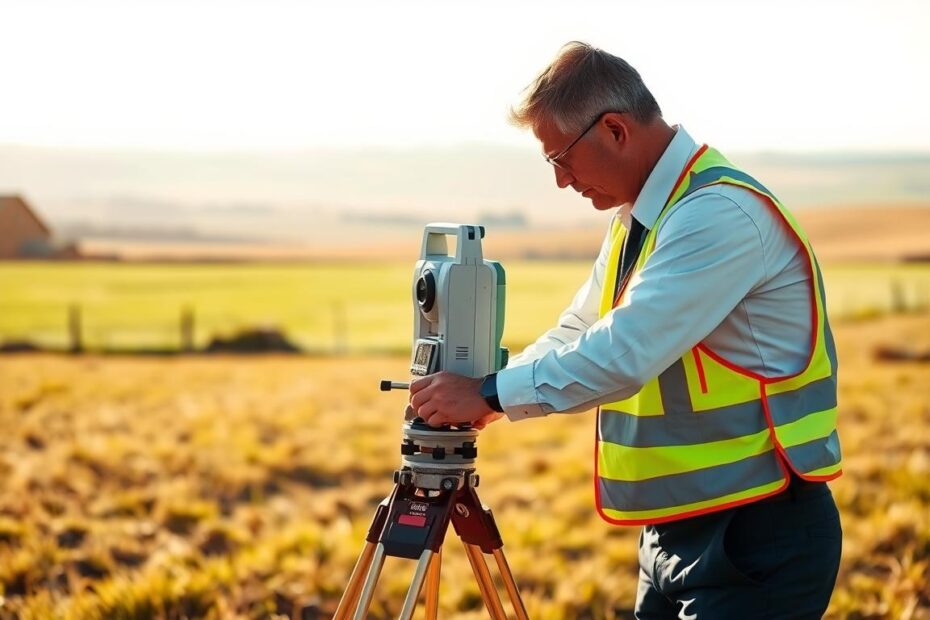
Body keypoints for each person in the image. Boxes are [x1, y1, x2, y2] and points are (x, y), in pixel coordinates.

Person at [408, 41, 842, 619]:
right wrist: (490, 389)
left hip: (756, 531)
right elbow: (580, 327)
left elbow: (624, 352)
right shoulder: (641, 217)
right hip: (674, 532)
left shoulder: (716, 213)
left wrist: (490, 393)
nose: (562, 181)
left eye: (561, 157)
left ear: (614, 129)